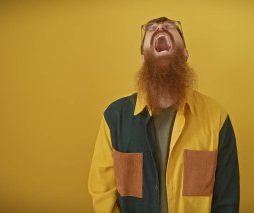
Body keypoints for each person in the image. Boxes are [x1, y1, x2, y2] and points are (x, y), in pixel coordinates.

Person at [88, 17, 240, 213]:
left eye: (170, 27)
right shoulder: (114, 118)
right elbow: (102, 194)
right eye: (151, 28)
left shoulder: (217, 118)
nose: (160, 27)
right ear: (143, 56)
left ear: (185, 53)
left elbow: (226, 201)